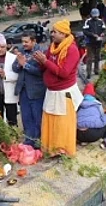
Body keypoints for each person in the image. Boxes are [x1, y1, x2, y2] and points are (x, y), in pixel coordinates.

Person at [33, 19, 83, 157]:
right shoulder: (53, 46)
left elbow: (64, 73)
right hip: (51, 92)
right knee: (50, 122)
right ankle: (51, 150)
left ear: (64, 34)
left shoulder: (72, 50)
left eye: (55, 32)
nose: (52, 34)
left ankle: (64, 152)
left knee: (63, 125)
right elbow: (45, 67)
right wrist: (40, 61)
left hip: (64, 93)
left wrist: (45, 61)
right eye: (52, 31)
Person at [12, 32, 47, 149]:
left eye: (26, 42)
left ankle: (38, 142)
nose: (24, 44)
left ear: (34, 41)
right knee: (26, 117)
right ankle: (28, 141)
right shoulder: (22, 51)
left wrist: (25, 65)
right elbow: (14, 67)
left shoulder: (40, 53)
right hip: (24, 91)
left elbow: (41, 72)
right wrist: (19, 64)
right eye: (22, 42)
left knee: (37, 117)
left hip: (36, 91)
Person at [76, 83, 106, 149]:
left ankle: (84, 141)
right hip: (92, 135)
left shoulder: (78, 103)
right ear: (93, 94)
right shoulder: (97, 104)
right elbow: (102, 117)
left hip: (78, 135)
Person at [83, 8, 106, 79]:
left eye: (96, 16)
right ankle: (88, 73)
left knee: (97, 57)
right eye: (94, 16)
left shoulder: (101, 21)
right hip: (90, 42)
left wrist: (102, 33)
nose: (95, 17)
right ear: (91, 15)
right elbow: (85, 31)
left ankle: (96, 70)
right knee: (89, 58)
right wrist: (92, 35)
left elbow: (105, 30)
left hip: (98, 42)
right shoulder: (88, 21)